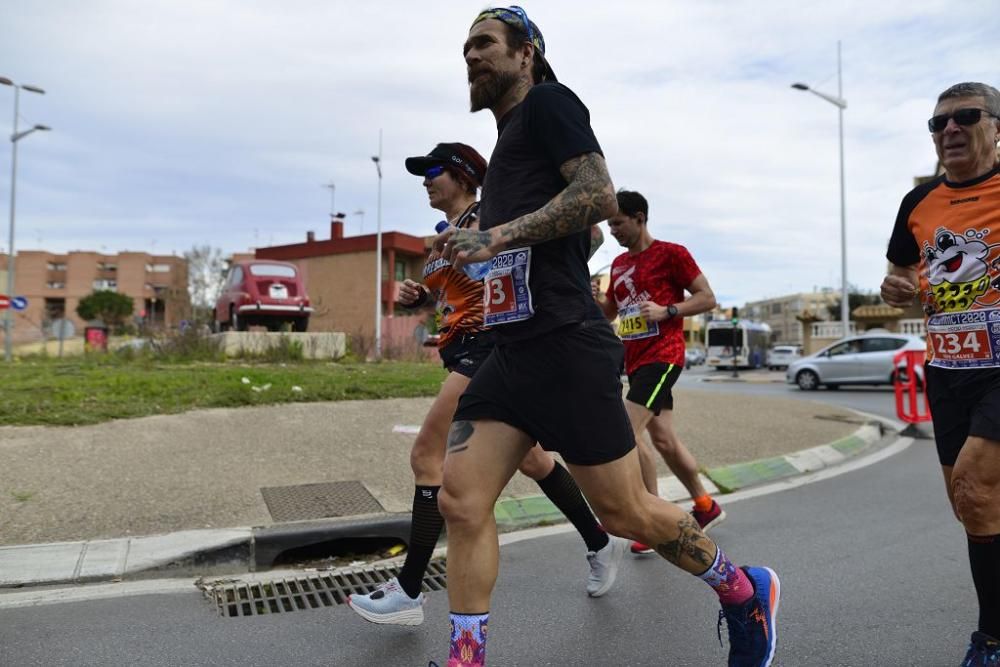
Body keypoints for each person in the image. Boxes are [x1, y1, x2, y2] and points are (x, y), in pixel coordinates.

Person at [430, 7, 779, 666]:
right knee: (460, 496)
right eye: (465, 47)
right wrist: (477, 254)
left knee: (625, 512)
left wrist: (497, 235)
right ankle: (466, 657)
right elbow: (580, 233)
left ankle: (743, 590)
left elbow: (598, 196)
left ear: (527, 52)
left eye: (484, 43)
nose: (471, 56)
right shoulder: (508, 144)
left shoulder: (550, 105)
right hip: (512, 352)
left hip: (564, 343)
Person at [347, 142, 626, 628]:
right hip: (464, 350)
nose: (425, 181)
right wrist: (419, 297)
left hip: (490, 350)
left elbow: (587, 233)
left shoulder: (490, 214)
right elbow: (455, 292)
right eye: (422, 174)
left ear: (461, 176)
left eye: (433, 171)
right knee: (534, 461)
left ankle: (410, 590)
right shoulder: (443, 237)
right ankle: (601, 540)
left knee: (426, 455)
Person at [881, 81, 1000, 665]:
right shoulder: (918, 204)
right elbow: (902, 278)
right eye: (938, 123)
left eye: (966, 117)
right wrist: (896, 288)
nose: (949, 130)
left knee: (978, 491)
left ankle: (992, 640)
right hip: (948, 367)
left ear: (996, 126)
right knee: (969, 503)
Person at [593, 189, 725, 555]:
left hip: (664, 355)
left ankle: (653, 521)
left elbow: (707, 297)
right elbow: (609, 312)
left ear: (639, 218)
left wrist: (667, 311)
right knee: (663, 439)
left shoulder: (671, 253)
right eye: (610, 225)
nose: (614, 231)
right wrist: (596, 300)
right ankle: (704, 505)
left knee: (627, 430)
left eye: (618, 223)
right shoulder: (618, 265)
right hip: (634, 359)